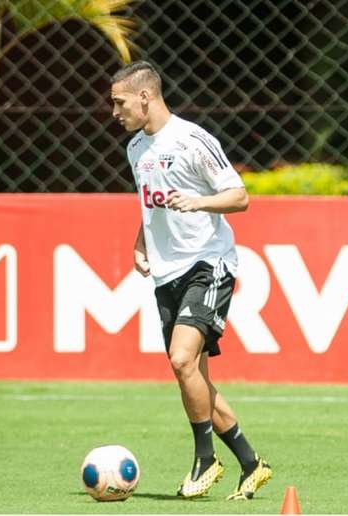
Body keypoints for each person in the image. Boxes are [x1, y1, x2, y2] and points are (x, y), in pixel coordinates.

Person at [110, 61, 272, 500]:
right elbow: (151, 206)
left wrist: (199, 202)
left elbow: (240, 196)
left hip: (209, 263)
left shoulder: (192, 139)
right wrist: (141, 242)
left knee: (182, 360)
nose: (114, 111)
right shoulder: (135, 149)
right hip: (166, 273)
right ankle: (251, 464)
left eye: (119, 102)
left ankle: (205, 459)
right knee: (192, 378)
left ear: (145, 96)